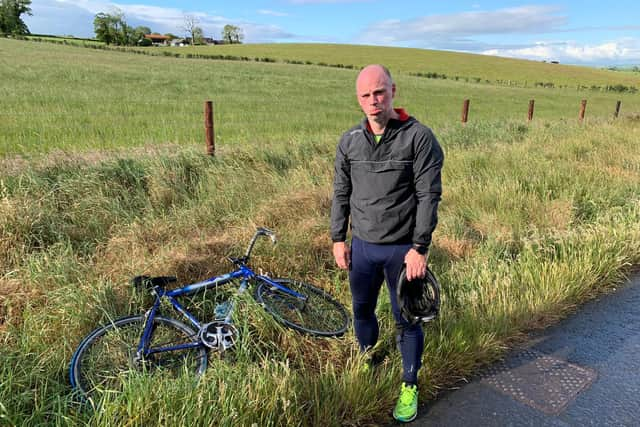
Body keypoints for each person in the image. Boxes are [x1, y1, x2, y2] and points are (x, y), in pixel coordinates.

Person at [330, 64, 444, 422]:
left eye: (379, 92)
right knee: (361, 310)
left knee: (406, 319)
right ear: (358, 99)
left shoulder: (418, 137)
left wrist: (420, 248)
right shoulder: (350, 141)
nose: (373, 101)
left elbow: (429, 195)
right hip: (362, 247)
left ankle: (409, 383)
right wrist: (338, 238)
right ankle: (366, 356)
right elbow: (341, 192)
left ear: (393, 90)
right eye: (366, 95)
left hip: (402, 251)